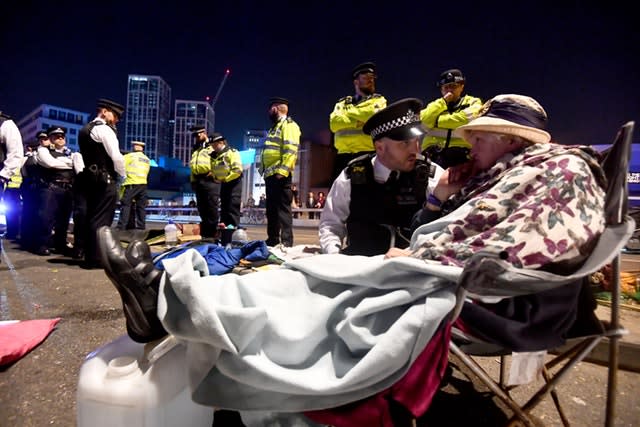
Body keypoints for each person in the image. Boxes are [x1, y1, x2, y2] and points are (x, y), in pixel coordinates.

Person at [97, 93, 607, 425]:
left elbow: (494, 240)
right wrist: (339, 255)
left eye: (481, 133)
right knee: (296, 267)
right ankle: (168, 291)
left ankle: (166, 298)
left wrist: (424, 229)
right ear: (383, 145)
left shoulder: (507, 173)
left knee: (300, 286)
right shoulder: (354, 176)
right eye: (408, 142)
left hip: (438, 278)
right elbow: (332, 226)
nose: (465, 143)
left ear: (514, 139)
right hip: (402, 263)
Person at [320, 98, 441, 256]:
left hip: (411, 270)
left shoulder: (430, 174)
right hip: (361, 271)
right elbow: (330, 225)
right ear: (380, 147)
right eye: (405, 144)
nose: (415, 150)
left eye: (416, 141)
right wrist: (334, 256)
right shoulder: (352, 176)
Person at [77, 98, 126, 269]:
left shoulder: (85, 129)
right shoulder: (104, 130)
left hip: (90, 180)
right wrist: (123, 175)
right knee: (103, 220)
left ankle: (90, 255)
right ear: (104, 111)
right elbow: (116, 156)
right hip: (105, 180)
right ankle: (97, 258)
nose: (117, 120)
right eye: (115, 116)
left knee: (91, 217)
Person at [329, 61, 387, 180]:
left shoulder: (379, 100)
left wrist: (348, 113)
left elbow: (374, 116)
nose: (371, 80)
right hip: (343, 157)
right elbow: (334, 124)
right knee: (339, 196)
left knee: (366, 196)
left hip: (368, 155)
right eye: (366, 78)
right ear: (356, 82)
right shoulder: (342, 102)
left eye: (372, 78)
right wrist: (358, 121)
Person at [419, 68, 482, 168]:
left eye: (453, 86)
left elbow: (467, 120)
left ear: (462, 86)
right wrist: (443, 102)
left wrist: (436, 122)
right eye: (446, 87)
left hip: (462, 155)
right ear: (441, 89)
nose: (449, 90)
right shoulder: (435, 105)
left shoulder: (473, 102)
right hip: (432, 154)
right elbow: (423, 121)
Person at [260, 97, 301, 247]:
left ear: (276, 108)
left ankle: (286, 241)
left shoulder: (289, 125)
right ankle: (272, 239)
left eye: (270, 108)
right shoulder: (275, 127)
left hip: (280, 175)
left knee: (283, 210)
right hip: (271, 175)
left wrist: (282, 172)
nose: (268, 112)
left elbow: (290, 149)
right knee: (271, 210)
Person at [189, 126, 220, 239]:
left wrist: (214, 173)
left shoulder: (212, 145)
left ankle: (212, 234)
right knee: (202, 208)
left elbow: (221, 160)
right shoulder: (196, 149)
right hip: (198, 181)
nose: (197, 137)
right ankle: (206, 234)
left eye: (198, 135)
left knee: (211, 207)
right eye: (195, 136)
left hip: (210, 180)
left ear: (204, 133)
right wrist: (193, 181)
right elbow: (192, 166)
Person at [210, 133, 243, 227]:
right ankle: (224, 233)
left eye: (215, 145)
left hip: (233, 184)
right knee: (224, 209)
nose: (213, 147)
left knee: (232, 208)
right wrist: (216, 179)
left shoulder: (232, 152)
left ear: (221, 142)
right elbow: (215, 171)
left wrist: (225, 179)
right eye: (212, 145)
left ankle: (233, 233)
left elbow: (237, 170)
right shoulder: (215, 156)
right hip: (223, 185)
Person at [117, 141, 151, 232]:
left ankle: (121, 227)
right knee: (141, 207)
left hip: (131, 183)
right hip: (143, 185)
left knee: (126, 205)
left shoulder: (129, 156)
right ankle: (141, 227)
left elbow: (119, 165)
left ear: (134, 147)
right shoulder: (147, 159)